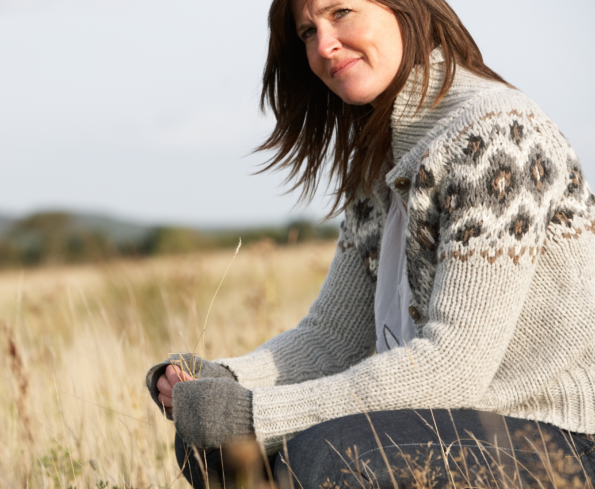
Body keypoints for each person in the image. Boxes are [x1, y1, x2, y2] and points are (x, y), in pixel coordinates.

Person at [144, 0, 595, 487]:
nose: (324, 46)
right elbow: (333, 339)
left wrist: (253, 413)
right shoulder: (381, 161)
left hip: (556, 441)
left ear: (407, 10)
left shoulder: (497, 135)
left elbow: (452, 369)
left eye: (341, 13)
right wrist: (226, 381)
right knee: (212, 446)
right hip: (444, 429)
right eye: (306, 33)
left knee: (329, 453)